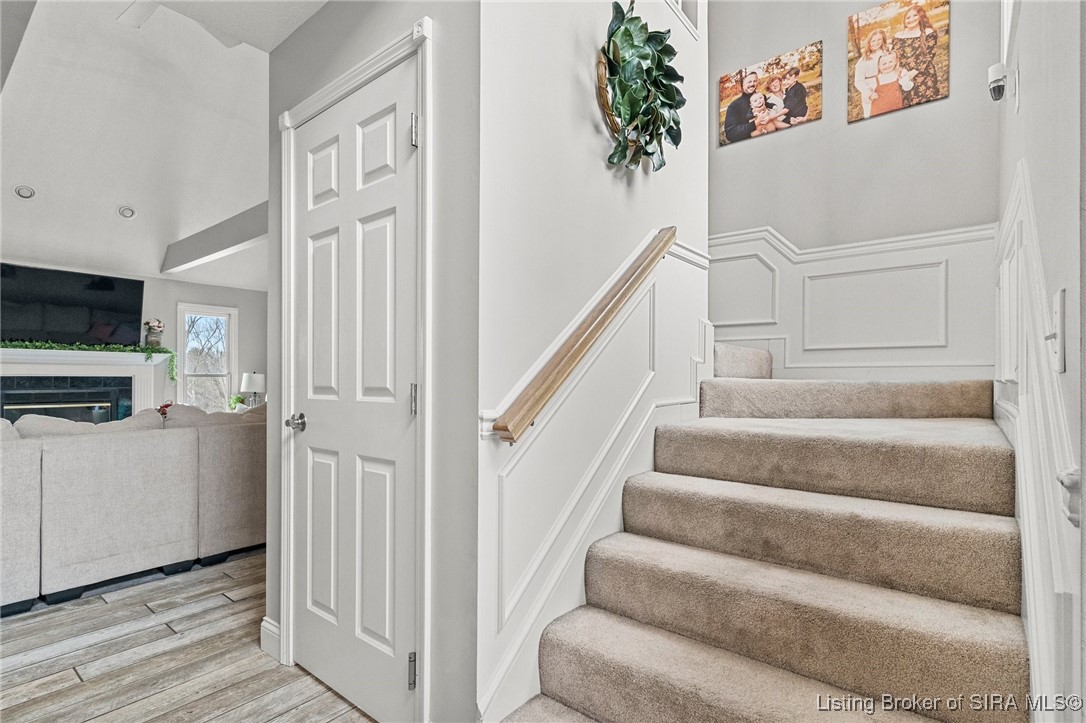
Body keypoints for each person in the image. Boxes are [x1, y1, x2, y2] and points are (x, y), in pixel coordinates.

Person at [894, 4, 940, 107]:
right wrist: (900, 70)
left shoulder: (928, 33)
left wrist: (913, 73)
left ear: (920, 16)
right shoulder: (898, 36)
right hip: (904, 77)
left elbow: (929, 55)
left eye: (915, 15)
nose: (911, 19)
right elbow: (895, 56)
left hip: (924, 75)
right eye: (908, 17)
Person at [853, 28, 890, 119]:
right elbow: (859, 81)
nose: (876, 43)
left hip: (887, 86)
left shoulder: (887, 54)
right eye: (873, 40)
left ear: (883, 40)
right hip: (872, 88)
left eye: (879, 40)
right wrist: (869, 92)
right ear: (869, 42)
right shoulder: (863, 61)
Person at [869, 51, 913, 116]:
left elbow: (907, 88)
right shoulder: (875, 79)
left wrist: (904, 79)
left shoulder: (898, 74)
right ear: (879, 66)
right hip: (879, 111)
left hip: (896, 107)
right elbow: (866, 95)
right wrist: (870, 96)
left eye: (890, 62)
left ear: (895, 62)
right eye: (884, 64)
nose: (887, 65)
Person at [723, 71, 759, 143]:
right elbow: (731, 134)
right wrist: (755, 123)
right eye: (749, 82)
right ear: (743, 84)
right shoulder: (734, 106)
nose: (752, 84)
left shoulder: (762, 98)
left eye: (755, 81)